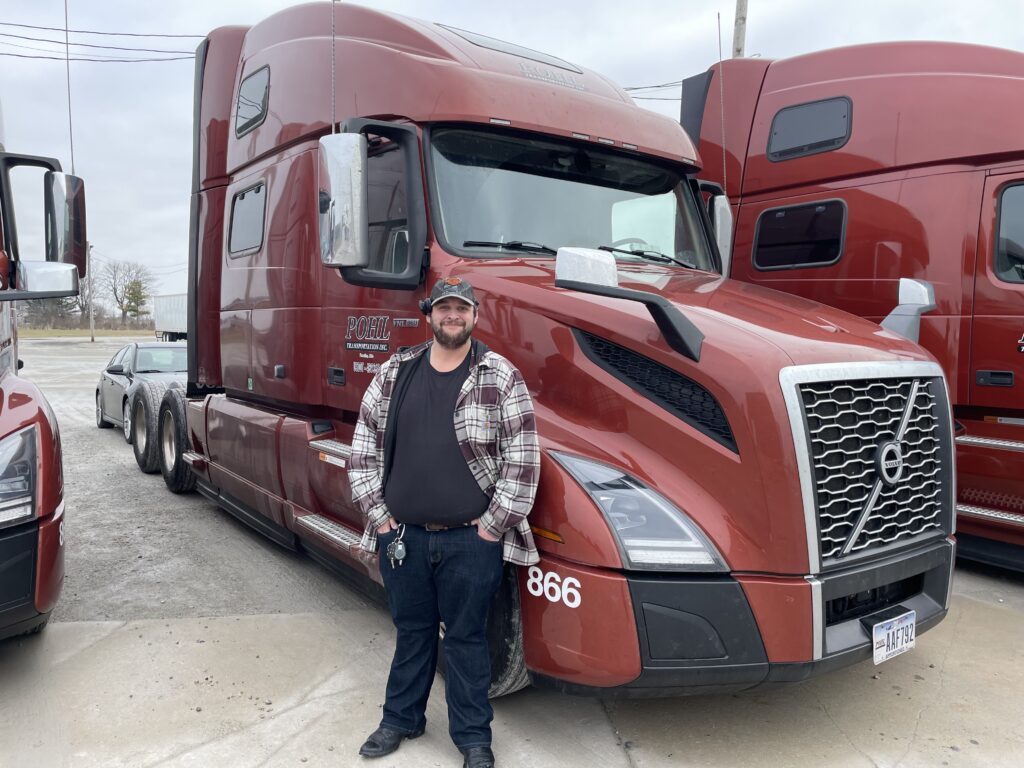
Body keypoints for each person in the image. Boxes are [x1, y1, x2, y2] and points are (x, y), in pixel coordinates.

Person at [348, 276, 541, 768]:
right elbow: (363, 447)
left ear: (475, 317)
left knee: (466, 637)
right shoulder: (396, 372)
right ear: (428, 314)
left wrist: (492, 529)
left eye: (462, 309)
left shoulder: (500, 376)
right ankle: (401, 718)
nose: (452, 316)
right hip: (402, 538)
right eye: (443, 308)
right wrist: (383, 519)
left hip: (472, 541)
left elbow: (523, 460)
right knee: (411, 630)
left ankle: (474, 738)